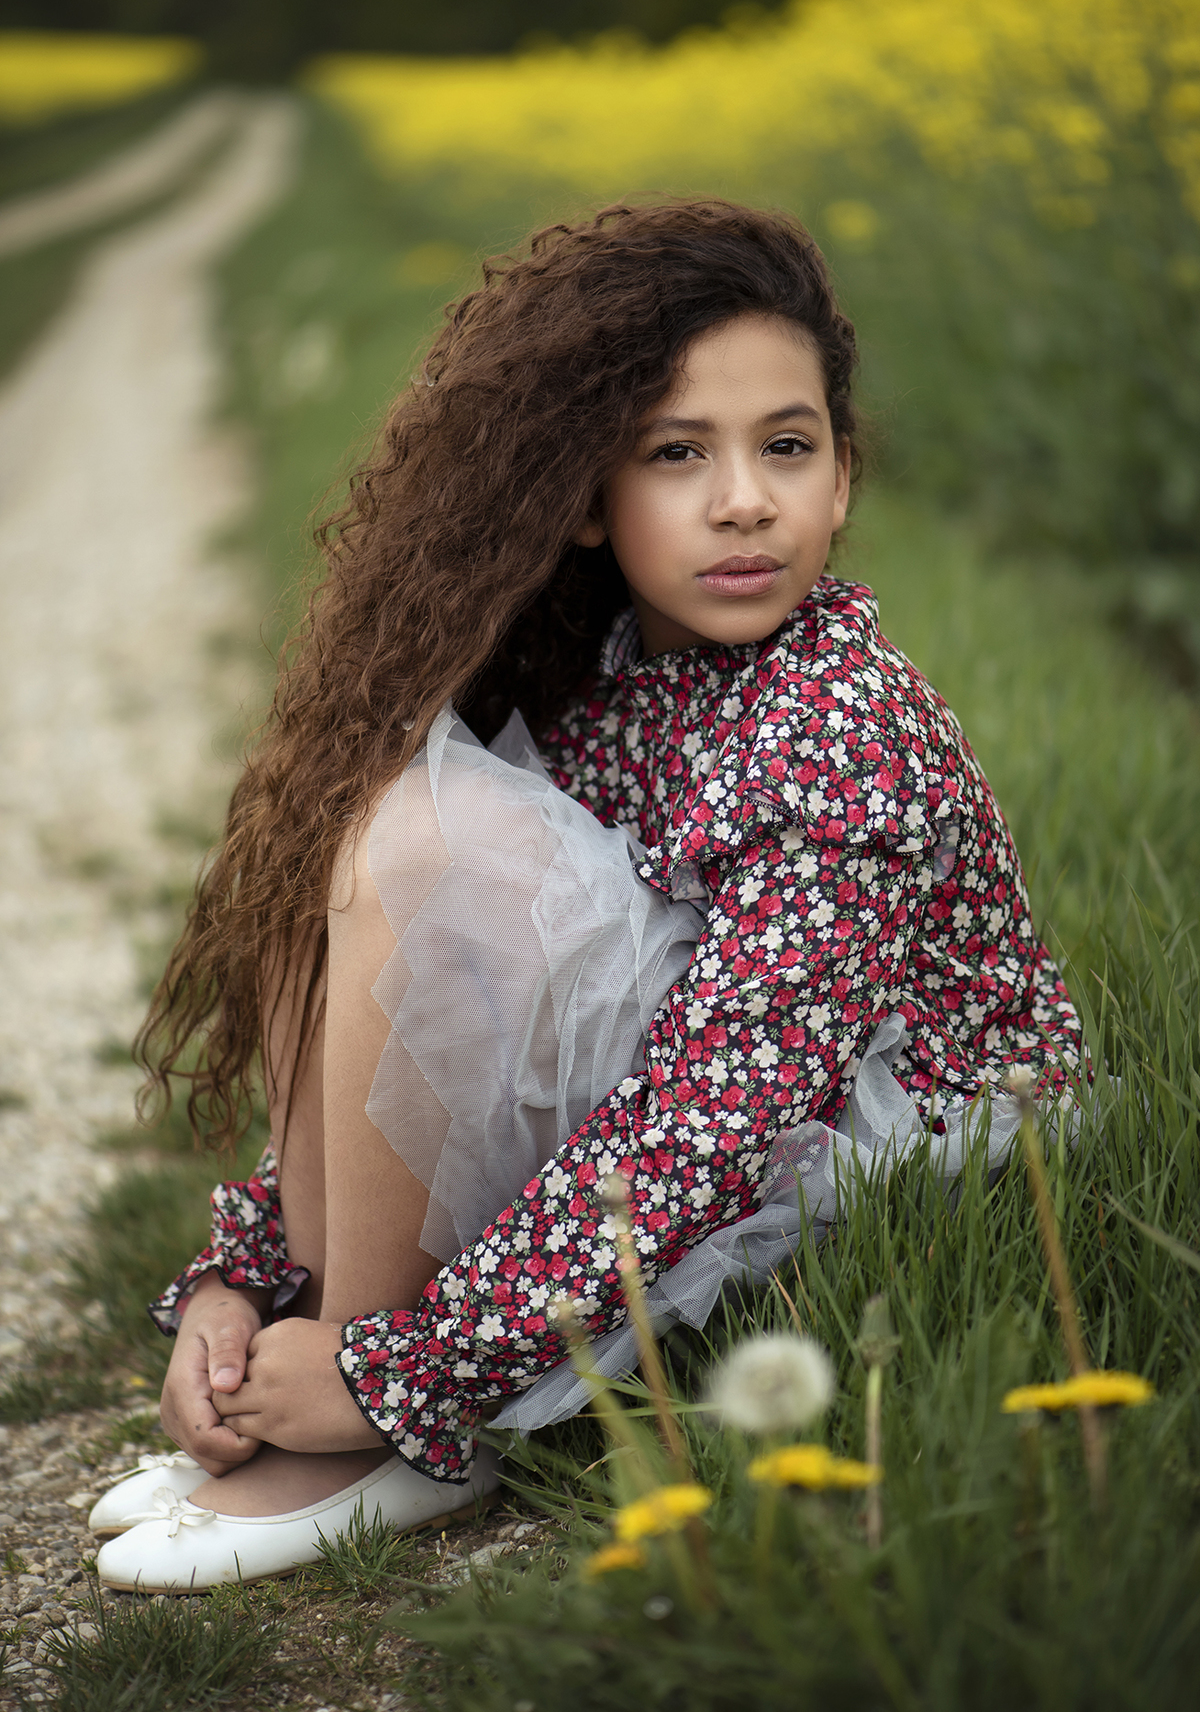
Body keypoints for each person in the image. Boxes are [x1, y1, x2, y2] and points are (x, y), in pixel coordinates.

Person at [90, 201, 1082, 1590]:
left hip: (866, 1144)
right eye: (677, 454)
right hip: (703, 1102)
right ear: (581, 498)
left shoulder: (843, 721)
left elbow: (710, 1120)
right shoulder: (613, 677)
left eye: (786, 448)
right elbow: (427, 1008)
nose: (744, 498)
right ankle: (312, 1333)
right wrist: (241, 1279)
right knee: (364, 827)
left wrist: (400, 1369)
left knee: (430, 853)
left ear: (843, 480)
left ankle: (389, 1429)